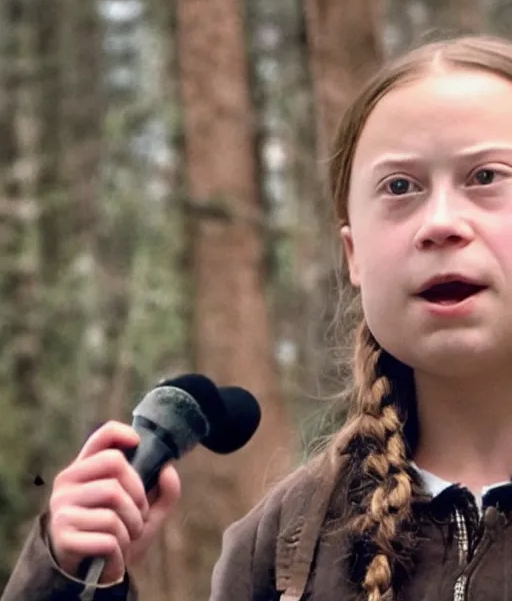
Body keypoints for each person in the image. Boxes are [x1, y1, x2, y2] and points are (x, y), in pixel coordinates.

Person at [4, 32, 512, 601]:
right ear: (354, 256)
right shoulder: (285, 543)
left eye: (487, 177)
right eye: (400, 187)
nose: (440, 223)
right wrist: (71, 583)